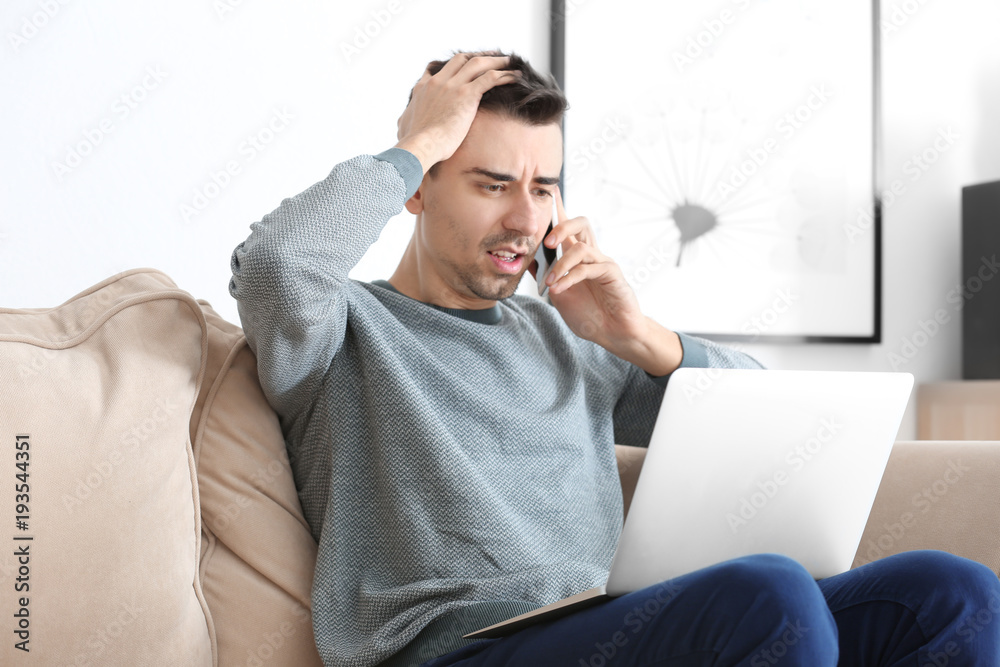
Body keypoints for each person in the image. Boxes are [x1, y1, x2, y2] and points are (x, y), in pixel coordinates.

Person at [229, 50, 1000, 667]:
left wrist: (635, 335)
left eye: (543, 187)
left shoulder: (569, 339)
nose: (525, 218)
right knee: (771, 597)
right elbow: (274, 263)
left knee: (955, 593)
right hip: (460, 647)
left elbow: (764, 417)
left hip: (610, 627)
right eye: (493, 184)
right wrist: (418, 140)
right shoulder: (341, 330)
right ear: (419, 190)